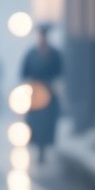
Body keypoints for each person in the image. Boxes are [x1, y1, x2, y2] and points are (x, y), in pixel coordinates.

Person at [20, 24, 63, 163]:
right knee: (36, 122)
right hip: (35, 92)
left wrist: (53, 84)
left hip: (49, 90)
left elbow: (60, 71)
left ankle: (45, 147)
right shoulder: (31, 53)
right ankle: (38, 147)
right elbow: (24, 72)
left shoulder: (54, 53)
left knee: (48, 121)